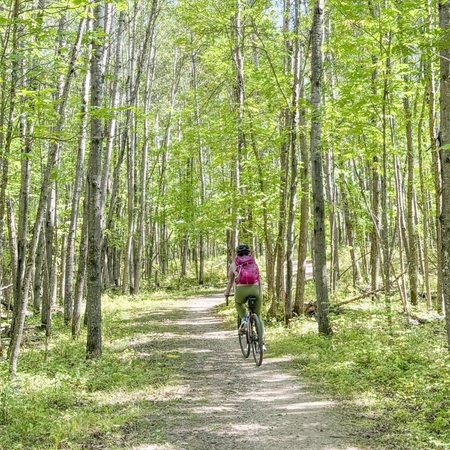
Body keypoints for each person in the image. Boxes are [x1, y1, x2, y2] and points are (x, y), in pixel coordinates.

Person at [224, 244, 265, 350]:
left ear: (237, 254)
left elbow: (230, 282)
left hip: (241, 290)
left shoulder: (234, 265)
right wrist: (259, 293)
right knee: (258, 315)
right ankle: (261, 343)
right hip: (255, 289)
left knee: (238, 302)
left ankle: (245, 319)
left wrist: (227, 293)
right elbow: (258, 279)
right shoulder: (254, 263)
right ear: (249, 253)